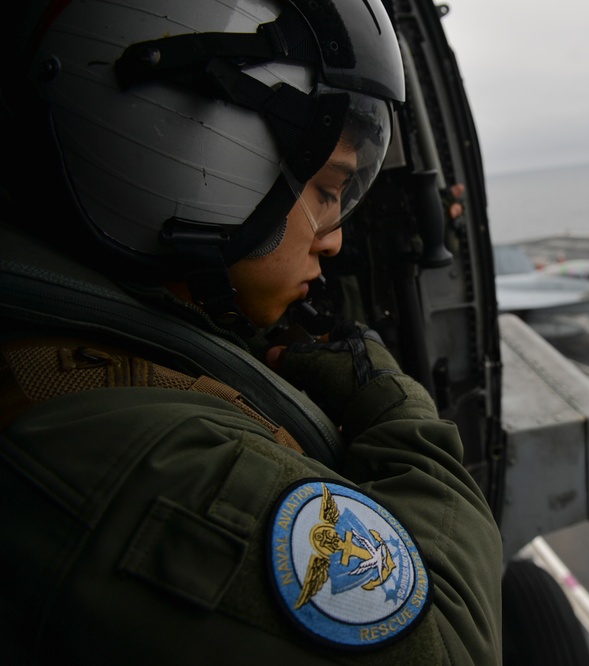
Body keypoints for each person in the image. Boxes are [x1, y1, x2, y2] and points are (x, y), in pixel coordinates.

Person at [0, 1, 502, 664]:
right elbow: (451, 648)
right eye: (327, 189)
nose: (338, 238)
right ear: (195, 167)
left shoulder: (82, 325)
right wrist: (394, 406)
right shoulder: (150, 466)